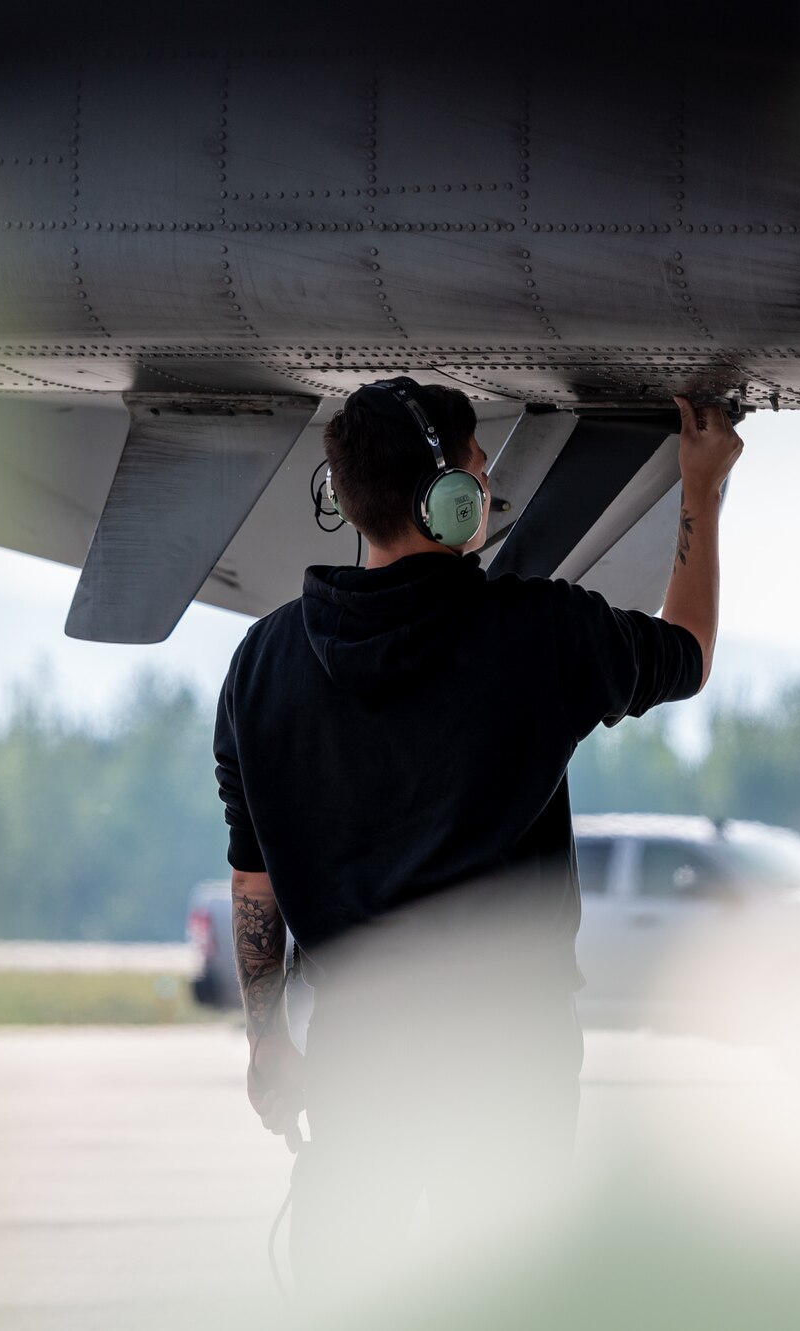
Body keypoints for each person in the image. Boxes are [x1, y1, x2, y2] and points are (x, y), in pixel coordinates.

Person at [212, 379, 742, 1287]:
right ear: (447, 501)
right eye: (480, 474)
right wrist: (701, 486)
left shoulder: (261, 663)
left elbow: (254, 886)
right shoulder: (540, 634)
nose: (488, 493)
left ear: (344, 498)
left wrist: (267, 1041)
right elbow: (686, 649)